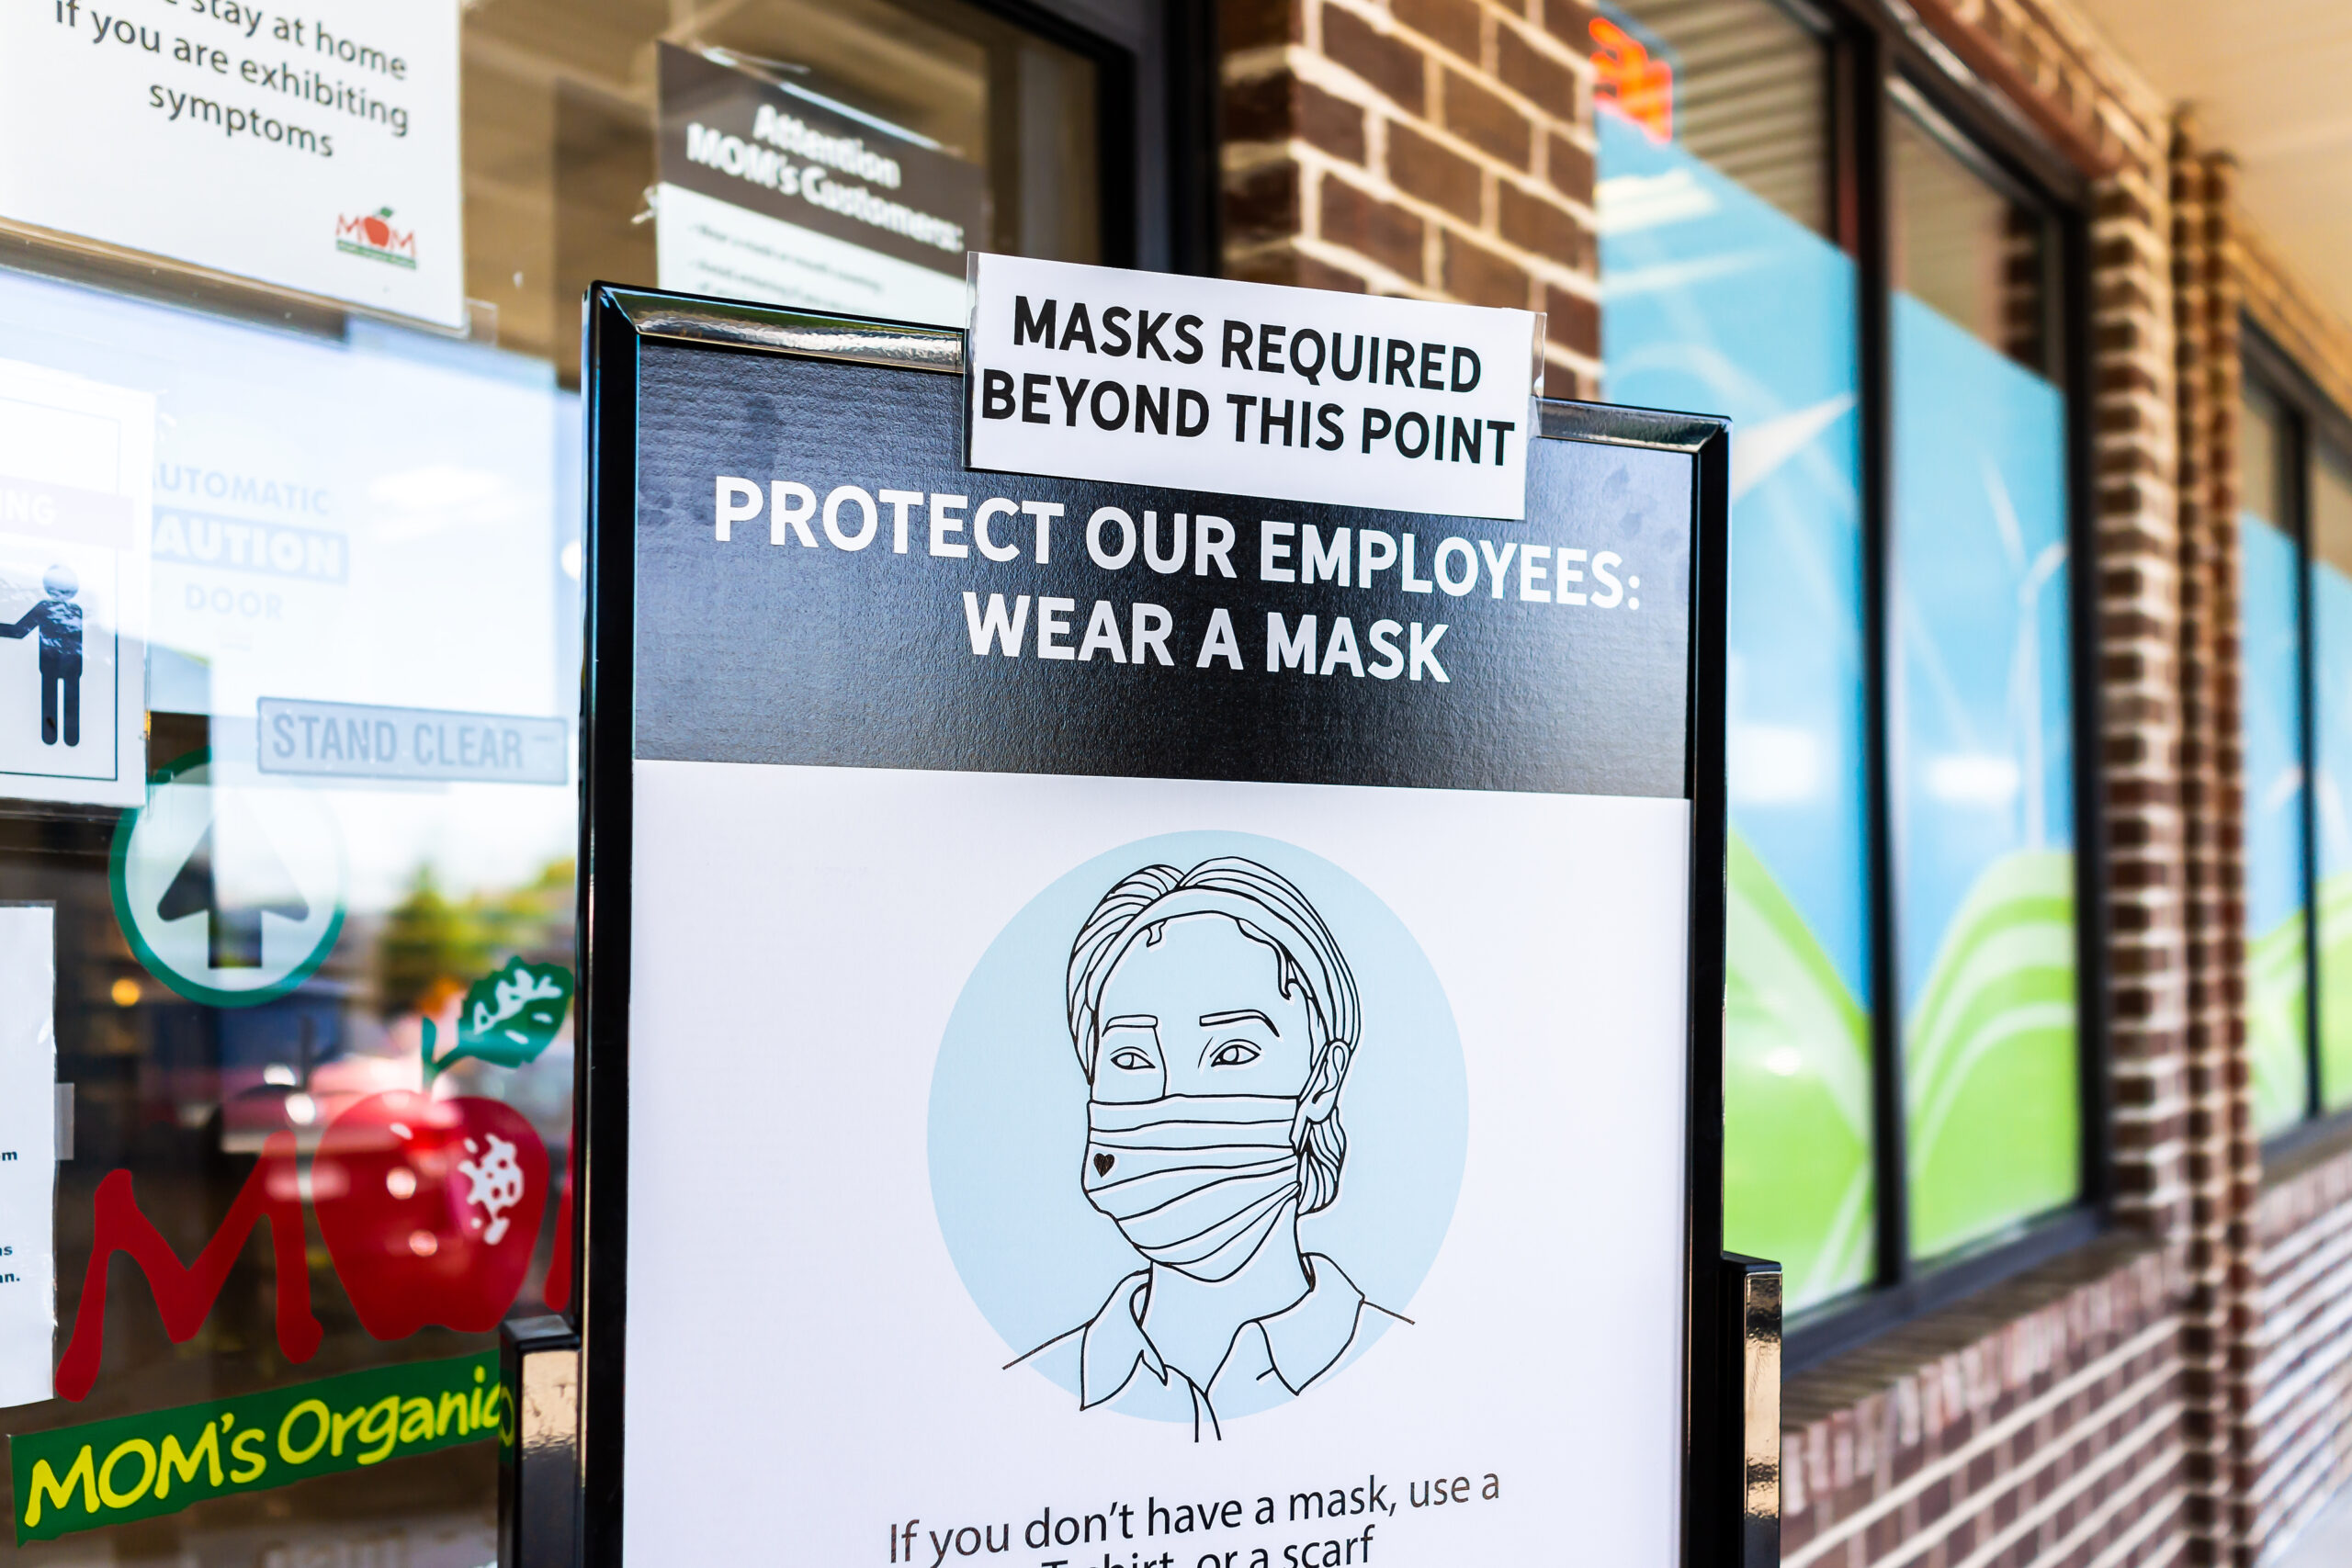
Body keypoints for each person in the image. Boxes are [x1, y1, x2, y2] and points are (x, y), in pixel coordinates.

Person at [1011, 856, 1403, 1438]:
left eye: (1232, 1053)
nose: (1173, 1097)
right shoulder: (1019, 1394)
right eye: (1131, 1060)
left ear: (1322, 1078)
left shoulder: (1411, 1366)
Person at [0, 564, 85, 747]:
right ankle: (55, 739)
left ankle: (66, 739)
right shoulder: (50, 609)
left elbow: (19, 630)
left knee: (66, 705)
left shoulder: (69, 610)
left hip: (66, 666)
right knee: (53, 704)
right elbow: (19, 630)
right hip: (55, 665)